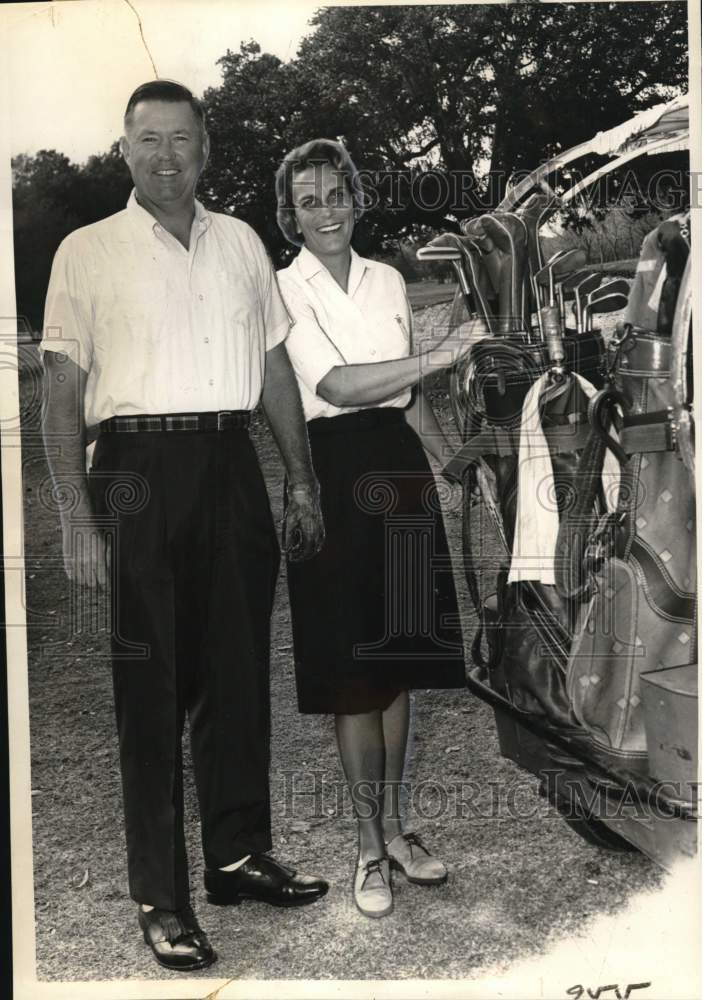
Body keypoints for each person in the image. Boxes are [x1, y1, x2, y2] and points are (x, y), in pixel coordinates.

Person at [40, 81, 329, 974]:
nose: (168, 156)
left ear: (207, 148)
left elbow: (276, 366)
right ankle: (161, 897)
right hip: (134, 474)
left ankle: (238, 858)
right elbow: (60, 393)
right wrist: (77, 520)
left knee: (239, 673)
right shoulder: (85, 252)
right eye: (149, 140)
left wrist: (302, 479)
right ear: (124, 150)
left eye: (184, 140)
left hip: (231, 465)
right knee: (151, 691)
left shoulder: (242, 241)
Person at [274, 139, 483, 919]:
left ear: (356, 200)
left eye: (336, 194)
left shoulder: (388, 280)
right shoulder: (281, 288)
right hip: (328, 475)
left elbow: (404, 400)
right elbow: (338, 384)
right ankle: (366, 846)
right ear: (289, 214)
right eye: (308, 199)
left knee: (398, 661)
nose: (325, 210)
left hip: (397, 471)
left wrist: (446, 468)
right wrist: (442, 352)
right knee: (353, 675)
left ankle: (396, 829)